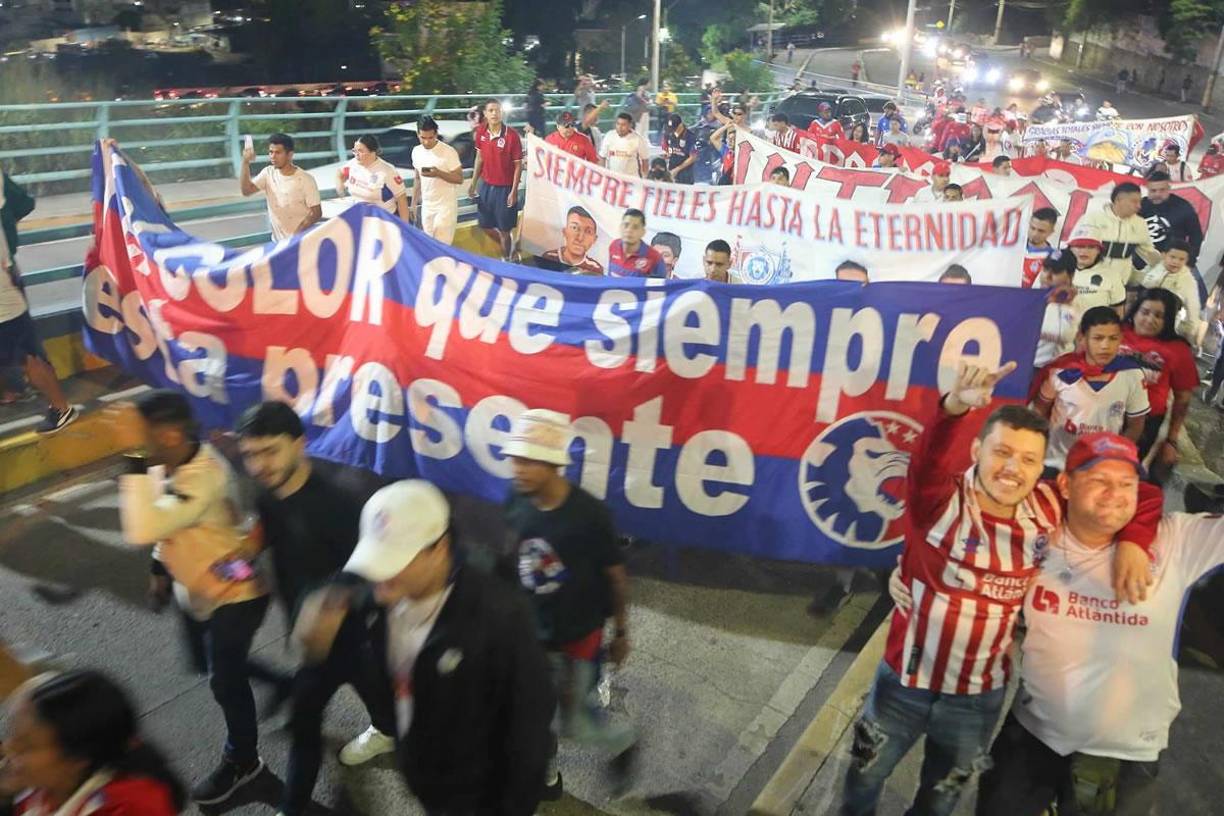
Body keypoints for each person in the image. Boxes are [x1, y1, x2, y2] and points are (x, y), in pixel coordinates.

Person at [840, 362, 1157, 816]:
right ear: (976, 450)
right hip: (901, 685)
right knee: (863, 781)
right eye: (1001, 453)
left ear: (1042, 467)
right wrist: (953, 408)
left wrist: (1133, 541)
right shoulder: (938, 501)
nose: (1013, 468)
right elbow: (929, 457)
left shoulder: (1047, 508)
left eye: (1029, 459)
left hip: (977, 699)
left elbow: (1138, 493)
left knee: (942, 797)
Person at [882, 431, 1215, 816]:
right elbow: (952, 533)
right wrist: (907, 574)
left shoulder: (1177, 540)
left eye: (1127, 483)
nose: (1115, 493)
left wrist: (1136, 538)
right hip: (1032, 735)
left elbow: (1148, 498)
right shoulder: (1034, 538)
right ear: (1065, 486)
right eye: (1098, 481)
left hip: (1123, 754)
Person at [293, 480, 555, 816]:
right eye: (375, 558)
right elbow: (327, 608)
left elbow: (529, 734)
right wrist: (315, 632)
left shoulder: (500, 617)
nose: (380, 574)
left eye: (395, 559)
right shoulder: (378, 596)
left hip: (476, 794)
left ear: (440, 549)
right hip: (424, 771)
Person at [233, 402, 400, 816]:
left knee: (342, 709)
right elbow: (265, 542)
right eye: (250, 455)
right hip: (312, 642)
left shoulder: (341, 504)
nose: (258, 465)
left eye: (269, 451)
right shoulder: (269, 496)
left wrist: (334, 603)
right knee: (307, 723)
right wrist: (236, 566)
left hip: (358, 638)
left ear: (300, 444)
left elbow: (377, 573)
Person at [113, 390, 271, 805]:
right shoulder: (169, 463)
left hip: (237, 589)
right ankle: (281, 682)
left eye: (141, 435)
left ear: (167, 435)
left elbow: (143, 525)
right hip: (197, 589)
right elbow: (163, 522)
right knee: (209, 662)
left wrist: (131, 453)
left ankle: (244, 761)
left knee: (224, 679)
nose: (136, 443)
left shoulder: (204, 475)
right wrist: (159, 569)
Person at [502, 410, 638, 798]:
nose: (518, 469)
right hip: (531, 635)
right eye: (515, 459)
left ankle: (624, 740)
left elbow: (616, 577)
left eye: (528, 461)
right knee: (531, 710)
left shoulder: (589, 516)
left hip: (578, 640)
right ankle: (546, 772)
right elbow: (515, 550)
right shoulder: (516, 497)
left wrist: (622, 632)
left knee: (578, 722)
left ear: (554, 464)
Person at [2, 671, 185, 815]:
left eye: (26, 746)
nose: (8, 749)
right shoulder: (46, 784)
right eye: (11, 734)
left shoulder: (130, 808)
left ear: (76, 760)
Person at [0, 168, 77, 433]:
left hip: (3, 296)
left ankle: (61, 408)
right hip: (6, 281)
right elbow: (22, 203)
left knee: (27, 356)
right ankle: (10, 390)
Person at [1032, 307, 1150, 473]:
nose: (1105, 346)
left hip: (1100, 465)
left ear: (1121, 339)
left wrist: (1115, 455)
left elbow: (1136, 425)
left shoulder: (1131, 374)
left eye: (1113, 338)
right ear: (1082, 338)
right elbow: (1039, 410)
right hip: (1056, 463)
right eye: (1098, 338)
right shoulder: (1060, 371)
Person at [1119, 287, 1198, 472]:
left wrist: (1171, 440)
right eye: (1145, 312)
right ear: (1135, 311)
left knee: (1123, 470)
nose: (1150, 320)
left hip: (1145, 424)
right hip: (1102, 413)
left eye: (1159, 315)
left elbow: (1182, 399)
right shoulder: (1116, 331)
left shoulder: (1179, 350)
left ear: (1168, 320)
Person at [1076, 182, 1160, 293]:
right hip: (1088, 284)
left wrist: (1165, 265)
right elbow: (1075, 248)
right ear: (1118, 200)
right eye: (1134, 201)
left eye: (1139, 202)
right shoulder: (1092, 218)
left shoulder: (1140, 223)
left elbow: (1148, 253)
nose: (1139, 206)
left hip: (1118, 285)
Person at [239, 132, 321, 243]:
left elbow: (316, 212)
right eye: (271, 152)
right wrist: (245, 162)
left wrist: (295, 236)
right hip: (277, 243)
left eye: (278, 153)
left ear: (290, 155)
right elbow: (246, 191)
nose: (273, 156)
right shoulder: (267, 173)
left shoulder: (306, 179)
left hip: (300, 243)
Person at [470, 99, 524, 262]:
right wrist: (473, 184)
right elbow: (479, 158)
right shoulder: (480, 132)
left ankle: (507, 258)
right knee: (485, 225)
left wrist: (513, 192)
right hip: (486, 186)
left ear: (502, 113)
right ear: (485, 114)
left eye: (497, 110)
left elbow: (518, 166)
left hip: (505, 188)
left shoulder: (512, 136)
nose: (494, 113)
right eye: (491, 110)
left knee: (505, 230)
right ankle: (510, 248)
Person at [409, 116, 463, 245]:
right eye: (423, 138)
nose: (427, 142)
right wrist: (413, 204)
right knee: (429, 245)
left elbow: (459, 178)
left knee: (442, 246)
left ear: (436, 134)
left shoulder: (448, 152)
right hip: (427, 206)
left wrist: (438, 173)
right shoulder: (416, 151)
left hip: (445, 207)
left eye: (430, 138)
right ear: (418, 135)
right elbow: (417, 179)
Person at [1139, 170, 1204, 273]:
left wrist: (1189, 262)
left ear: (1169, 189)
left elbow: (1196, 236)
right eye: (1153, 190)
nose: (1157, 194)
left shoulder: (1183, 207)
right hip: (1141, 262)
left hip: (1172, 264)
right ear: (1147, 189)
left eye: (1162, 190)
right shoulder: (1140, 205)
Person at [1141, 240, 1202, 343]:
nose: (1176, 262)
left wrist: (1189, 336)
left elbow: (1193, 309)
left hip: (1165, 328)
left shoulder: (1188, 281)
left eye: (1181, 259)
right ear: (1164, 255)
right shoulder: (1155, 267)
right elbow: (1139, 279)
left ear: (1186, 260)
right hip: (1142, 319)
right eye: (1172, 257)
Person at [337, 135, 410, 222]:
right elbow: (339, 173)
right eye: (354, 151)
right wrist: (340, 188)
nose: (356, 154)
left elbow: (401, 198)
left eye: (360, 151)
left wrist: (404, 227)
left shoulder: (387, 171)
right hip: (360, 218)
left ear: (372, 152)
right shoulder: (353, 164)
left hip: (384, 220)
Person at [1065, 231, 1126, 318]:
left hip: (1097, 327)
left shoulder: (1112, 274)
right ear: (1070, 248)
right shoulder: (1059, 270)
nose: (1084, 251)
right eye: (1079, 246)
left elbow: (1118, 310)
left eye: (1091, 247)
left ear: (1098, 250)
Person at [1034, 255, 1078, 370]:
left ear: (1071, 276)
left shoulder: (1077, 302)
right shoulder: (1033, 293)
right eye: (1045, 270)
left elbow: (1064, 335)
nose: (1047, 276)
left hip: (1053, 370)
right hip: (1023, 365)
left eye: (1056, 272)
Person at [540, 206, 604, 276]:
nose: (580, 238)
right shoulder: (549, 257)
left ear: (594, 239)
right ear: (564, 231)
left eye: (588, 231)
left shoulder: (595, 269)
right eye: (574, 228)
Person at [608, 209, 667, 278]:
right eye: (626, 225)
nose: (629, 230)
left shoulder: (655, 258)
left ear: (643, 232)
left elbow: (661, 287)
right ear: (620, 227)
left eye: (635, 227)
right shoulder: (614, 245)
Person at [602, 111, 649, 178]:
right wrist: (602, 174)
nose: (620, 127)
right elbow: (602, 157)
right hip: (613, 180)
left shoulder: (638, 139)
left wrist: (644, 178)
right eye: (618, 124)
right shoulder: (609, 136)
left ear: (630, 125)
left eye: (623, 125)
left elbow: (645, 160)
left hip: (632, 180)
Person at [1021, 207, 1060, 287]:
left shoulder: (1056, 256)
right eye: (1032, 228)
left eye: (1041, 231)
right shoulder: (1014, 248)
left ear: (1051, 231)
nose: (1035, 234)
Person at [661, 113, 700, 184]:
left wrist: (678, 169)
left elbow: (693, 157)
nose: (673, 130)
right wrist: (667, 154)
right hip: (671, 172)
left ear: (681, 125)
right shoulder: (669, 134)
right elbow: (667, 148)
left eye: (675, 128)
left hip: (686, 174)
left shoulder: (690, 137)